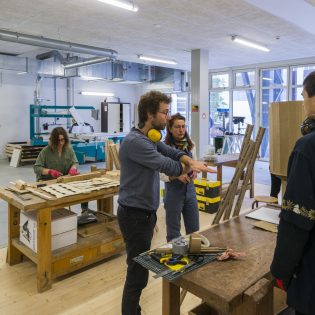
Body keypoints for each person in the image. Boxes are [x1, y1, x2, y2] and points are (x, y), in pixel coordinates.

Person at [117, 91, 215, 315]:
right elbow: (169, 166)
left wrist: (190, 159)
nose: (168, 117)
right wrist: (191, 166)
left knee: (138, 268)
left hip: (144, 213)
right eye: (164, 112)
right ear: (150, 114)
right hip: (134, 215)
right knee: (137, 273)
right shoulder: (135, 142)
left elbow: (170, 151)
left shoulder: (149, 138)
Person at [271, 71, 315, 315]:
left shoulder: (307, 148)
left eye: (304, 96)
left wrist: (280, 270)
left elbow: (297, 219)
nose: (302, 103)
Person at [34, 127, 90, 214]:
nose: (60, 143)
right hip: (48, 181)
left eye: (62, 140)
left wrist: (73, 169)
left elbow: (74, 162)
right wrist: (50, 171)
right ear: (53, 140)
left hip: (64, 180)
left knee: (84, 186)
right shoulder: (46, 151)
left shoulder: (69, 149)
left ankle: (85, 210)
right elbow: (37, 168)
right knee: (50, 200)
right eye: (58, 141)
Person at [162, 113, 199, 242]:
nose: (181, 130)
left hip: (190, 191)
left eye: (183, 126)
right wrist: (176, 176)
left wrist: (194, 172)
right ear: (170, 129)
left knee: (194, 230)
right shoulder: (164, 147)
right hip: (173, 193)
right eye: (177, 127)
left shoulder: (191, 144)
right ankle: (175, 259)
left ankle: (194, 256)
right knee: (173, 233)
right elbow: (160, 173)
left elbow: (194, 162)